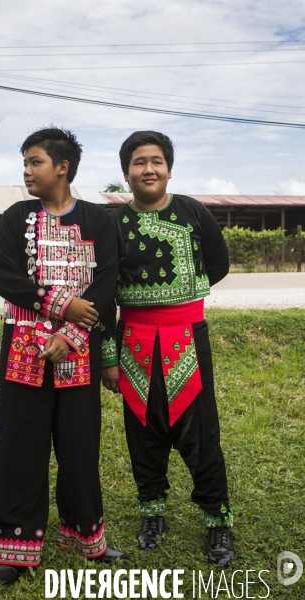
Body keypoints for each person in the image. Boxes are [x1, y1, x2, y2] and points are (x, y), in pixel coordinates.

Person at [0, 126, 127, 586]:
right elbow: (6, 279)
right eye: (26, 163)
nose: (27, 171)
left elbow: (106, 284)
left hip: (79, 351)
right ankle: (14, 549)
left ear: (62, 167)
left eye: (35, 162)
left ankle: (85, 536)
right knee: (19, 444)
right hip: (24, 350)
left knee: (80, 445)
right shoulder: (16, 217)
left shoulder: (98, 220)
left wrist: (70, 332)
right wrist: (61, 303)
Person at [101, 131, 234, 567]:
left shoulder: (193, 211)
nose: (148, 169)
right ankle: (152, 515)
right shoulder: (114, 225)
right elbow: (103, 293)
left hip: (187, 336)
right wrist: (108, 356)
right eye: (139, 163)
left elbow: (218, 263)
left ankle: (217, 520)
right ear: (127, 173)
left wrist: (183, 296)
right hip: (133, 342)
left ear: (169, 168)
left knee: (200, 433)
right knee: (143, 429)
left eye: (156, 161)